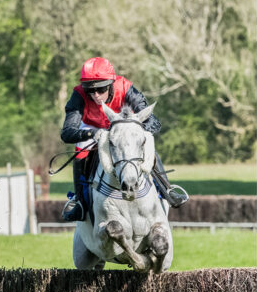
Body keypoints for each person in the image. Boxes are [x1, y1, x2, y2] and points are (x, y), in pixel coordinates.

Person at [60, 56, 188, 221]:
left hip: (124, 128)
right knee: (81, 149)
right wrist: (92, 134)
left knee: (147, 140)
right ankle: (79, 201)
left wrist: (136, 132)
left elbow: (153, 121)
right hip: (93, 128)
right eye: (90, 90)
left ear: (111, 84)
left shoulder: (126, 88)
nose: (95, 95)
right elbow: (67, 132)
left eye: (101, 89)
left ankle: (167, 189)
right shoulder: (78, 95)